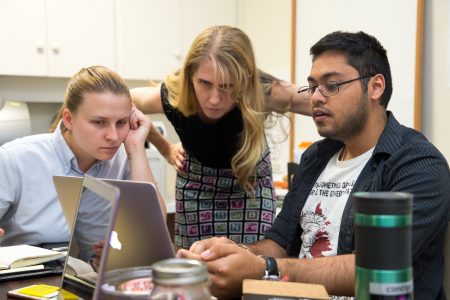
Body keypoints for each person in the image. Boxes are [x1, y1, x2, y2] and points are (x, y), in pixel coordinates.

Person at [178, 31, 450, 299]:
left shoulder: (417, 163)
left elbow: (375, 267)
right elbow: (278, 244)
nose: (316, 97)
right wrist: (228, 253)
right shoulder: (316, 157)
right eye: (312, 86)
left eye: (331, 85)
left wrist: (265, 268)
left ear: (375, 86)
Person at [131, 25, 310, 249]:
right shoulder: (175, 92)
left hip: (249, 186)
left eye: (228, 86)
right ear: (190, 75)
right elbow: (126, 103)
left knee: (249, 264)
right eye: (205, 83)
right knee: (196, 264)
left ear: (245, 81)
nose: (215, 99)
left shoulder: (263, 91)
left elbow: (325, 100)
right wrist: (164, 147)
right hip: (196, 188)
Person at [0, 66, 165, 253]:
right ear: (69, 119)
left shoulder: (123, 159)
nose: (113, 136)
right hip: (25, 278)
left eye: (121, 122)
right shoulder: (14, 160)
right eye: (99, 122)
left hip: (93, 277)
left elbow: (155, 231)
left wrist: (136, 148)